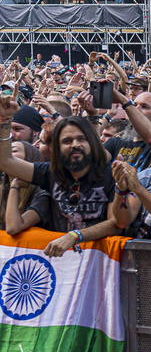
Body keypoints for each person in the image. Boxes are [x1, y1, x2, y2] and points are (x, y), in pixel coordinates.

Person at [0, 94, 120, 256]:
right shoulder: (50, 173)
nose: (75, 144)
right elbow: (6, 162)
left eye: (81, 139)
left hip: (101, 264)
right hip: (62, 265)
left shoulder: (110, 173)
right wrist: (5, 119)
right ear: (56, 148)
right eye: (67, 141)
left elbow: (115, 223)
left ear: (91, 143)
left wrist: (74, 236)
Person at [2, 141, 50, 233]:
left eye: (13, 151)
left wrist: (14, 186)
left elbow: (13, 228)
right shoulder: (2, 190)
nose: (6, 156)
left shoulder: (43, 194)